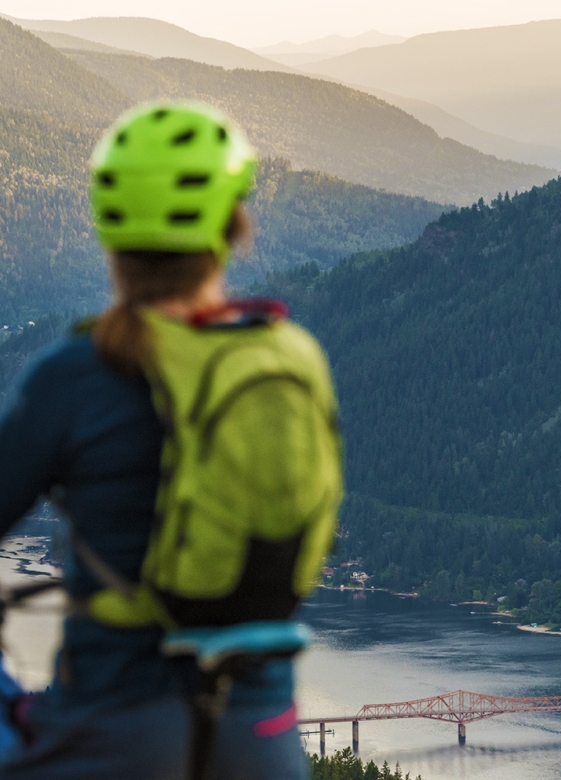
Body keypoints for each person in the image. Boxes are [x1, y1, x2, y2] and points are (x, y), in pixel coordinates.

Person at [0, 101, 342, 779]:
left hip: (118, 735)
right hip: (264, 736)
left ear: (108, 232)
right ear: (234, 225)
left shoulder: (79, 373)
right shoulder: (292, 358)